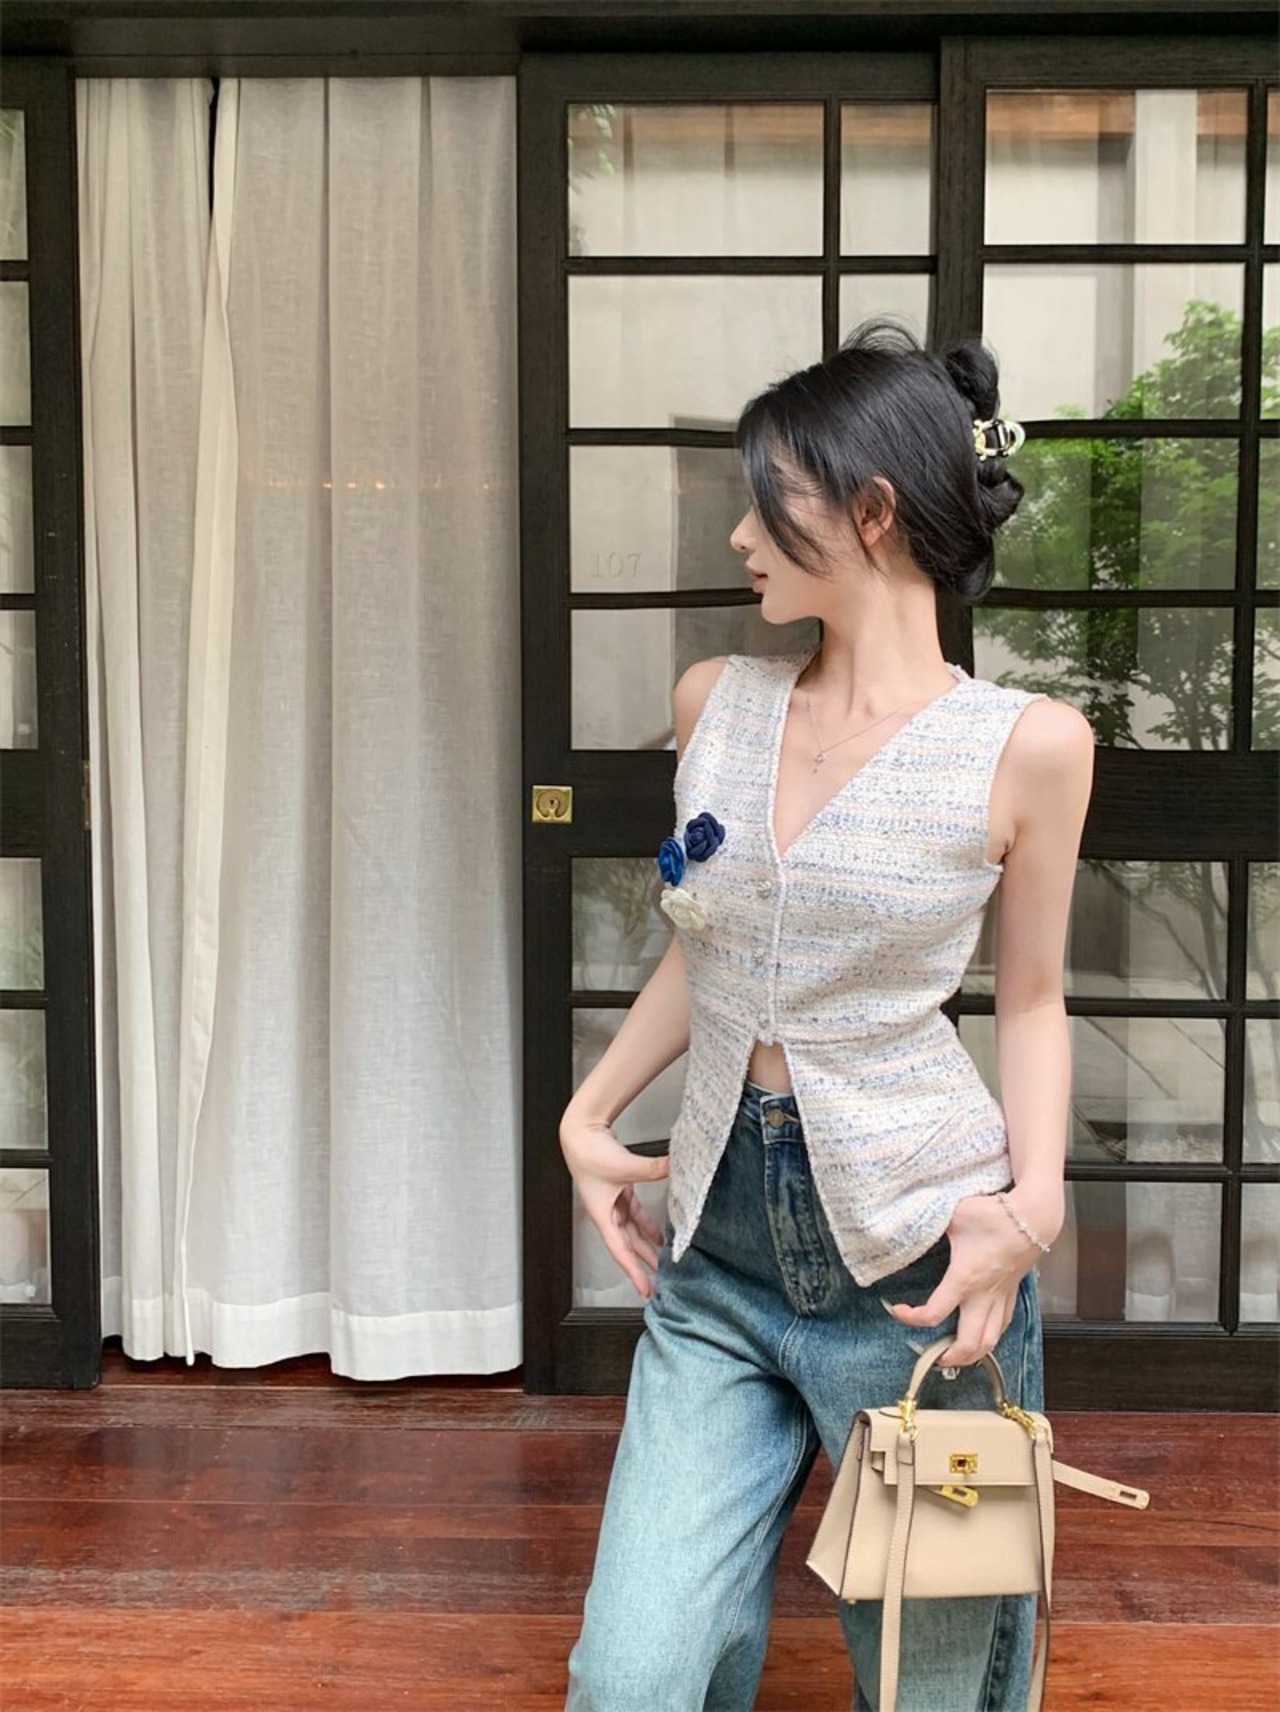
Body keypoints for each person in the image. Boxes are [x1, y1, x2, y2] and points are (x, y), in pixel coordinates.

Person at [558, 317, 1095, 1712]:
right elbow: (711, 945)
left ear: (870, 512)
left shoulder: (1026, 747)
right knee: (631, 1679)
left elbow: (1034, 997)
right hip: (718, 1259)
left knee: (939, 1689)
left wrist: (1031, 1209)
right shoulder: (715, 704)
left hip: (927, 1270)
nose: (740, 535)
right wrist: (588, 1111)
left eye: (767, 502)